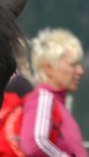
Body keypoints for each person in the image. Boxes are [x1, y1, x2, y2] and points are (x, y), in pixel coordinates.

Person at [20, 27, 86, 156]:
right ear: (48, 67)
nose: (80, 71)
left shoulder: (55, 103)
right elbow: (34, 143)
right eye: (73, 65)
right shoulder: (43, 98)